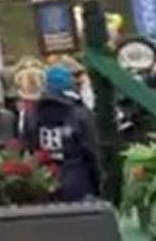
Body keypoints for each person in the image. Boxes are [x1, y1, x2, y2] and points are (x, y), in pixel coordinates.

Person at [23, 65, 101, 202]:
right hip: (78, 181)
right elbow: (92, 150)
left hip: (43, 180)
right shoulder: (80, 113)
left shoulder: (32, 114)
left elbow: (29, 146)